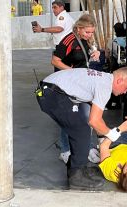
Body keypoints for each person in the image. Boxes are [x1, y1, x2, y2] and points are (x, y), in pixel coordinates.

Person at [36, 67, 127, 190]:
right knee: (81, 129)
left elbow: (97, 118)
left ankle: (78, 168)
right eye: (126, 88)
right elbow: (94, 121)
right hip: (52, 93)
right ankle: (76, 177)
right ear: (119, 81)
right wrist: (113, 134)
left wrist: (101, 140)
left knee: (81, 126)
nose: (125, 92)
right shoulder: (105, 86)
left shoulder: (103, 79)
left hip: (50, 90)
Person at [50, 14, 103, 164]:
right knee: (70, 117)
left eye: (92, 32)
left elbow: (88, 56)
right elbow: (55, 60)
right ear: (79, 29)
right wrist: (71, 72)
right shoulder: (68, 40)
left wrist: (96, 53)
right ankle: (66, 150)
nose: (90, 35)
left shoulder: (87, 40)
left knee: (86, 117)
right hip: (66, 84)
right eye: (87, 32)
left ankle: (87, 146)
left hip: (81, 83)